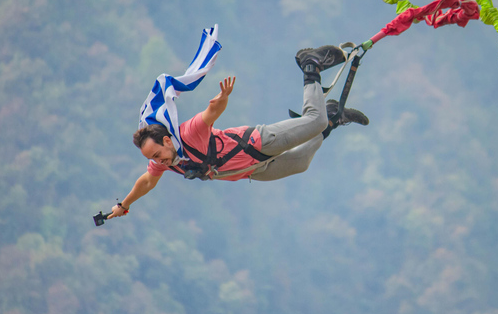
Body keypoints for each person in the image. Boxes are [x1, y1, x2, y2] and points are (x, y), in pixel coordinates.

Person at [107, 46, 369, 219]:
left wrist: (222, 98)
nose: (157, 161)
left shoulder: (188, 133)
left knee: (314, 120)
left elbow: (210, 113)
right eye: (152, 159)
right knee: (301, 161)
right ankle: (334, 116)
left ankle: (310, 64)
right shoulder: (167, 161)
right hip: (254, 170)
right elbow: (146, 182)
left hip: (258, 143)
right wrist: (124, 205)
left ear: (166, 140)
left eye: (157, 153)